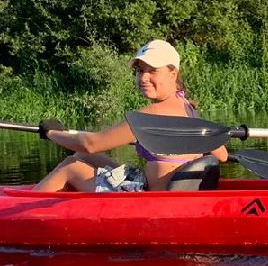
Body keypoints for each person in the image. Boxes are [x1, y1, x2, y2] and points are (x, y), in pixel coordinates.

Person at [34, 39, 228, 192]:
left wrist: (51, 133)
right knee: (82, 155)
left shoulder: (150, 116)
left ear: (173, 74)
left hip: (152, 202)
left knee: (71, 165)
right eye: (140, 71)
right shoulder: (188, 108)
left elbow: (91, 144)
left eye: (153, 71)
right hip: (154, 188)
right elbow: (222, 155)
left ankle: (20, 210)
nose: (143, 78)